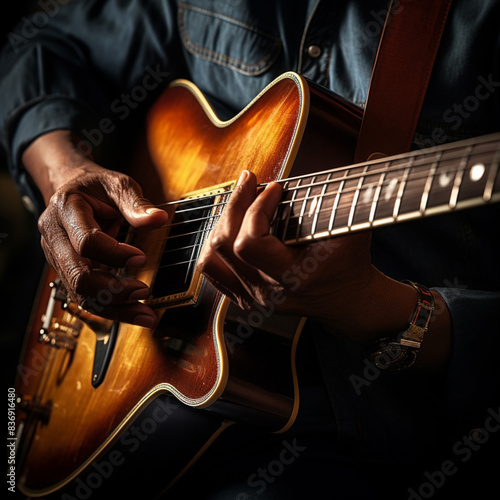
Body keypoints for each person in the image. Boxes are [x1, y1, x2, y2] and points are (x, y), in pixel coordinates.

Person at [1, 0, 499, 498]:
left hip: (367, 435)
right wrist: (61, 172)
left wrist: (369, 304)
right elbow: (45, 45)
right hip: (149, 386)